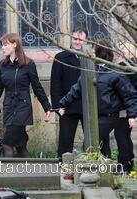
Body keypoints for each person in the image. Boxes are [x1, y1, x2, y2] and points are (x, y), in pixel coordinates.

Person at [59, 39, 137, 159]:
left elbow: (129, 94)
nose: (91, 54)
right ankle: (104, 167)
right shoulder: (91, 70)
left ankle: (121, 165)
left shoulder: (114, 73)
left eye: (94, 51)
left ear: (100, 53)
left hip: (110, 114)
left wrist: (132, 115)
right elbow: (76, 89)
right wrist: (63, 103)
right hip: (96, 114)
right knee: (103, 144)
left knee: (92, 140)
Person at [0, 33, 51, 158]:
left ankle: (9, 175)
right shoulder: (2, 65)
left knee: (6, 144)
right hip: (9, 108)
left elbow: (37, 87)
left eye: (5, 45)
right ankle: (31, 174)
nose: (2, 48)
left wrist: (47, 107)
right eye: (2, 45)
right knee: (21, 146)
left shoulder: (29, 64)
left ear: (14, 44)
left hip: (23, 108)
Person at [50, 27, 88, 159]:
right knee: (65, 141)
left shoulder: (90, 59)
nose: (77, 42)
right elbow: (55, 84)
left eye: (80, 39)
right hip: (66, 107)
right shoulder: (61, 57)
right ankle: (64, 169)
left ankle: (96, 167)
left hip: (87, 106)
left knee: (93, 140)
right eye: (75, 38)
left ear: (86, 41)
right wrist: (57, 105)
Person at [113, 42, 137, 172]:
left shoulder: (123, 67)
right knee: (126, 135)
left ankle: (123, 163)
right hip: (131, 107)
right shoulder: (133, 66)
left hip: (124, 107)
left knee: (120, 134)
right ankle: (129, 161)